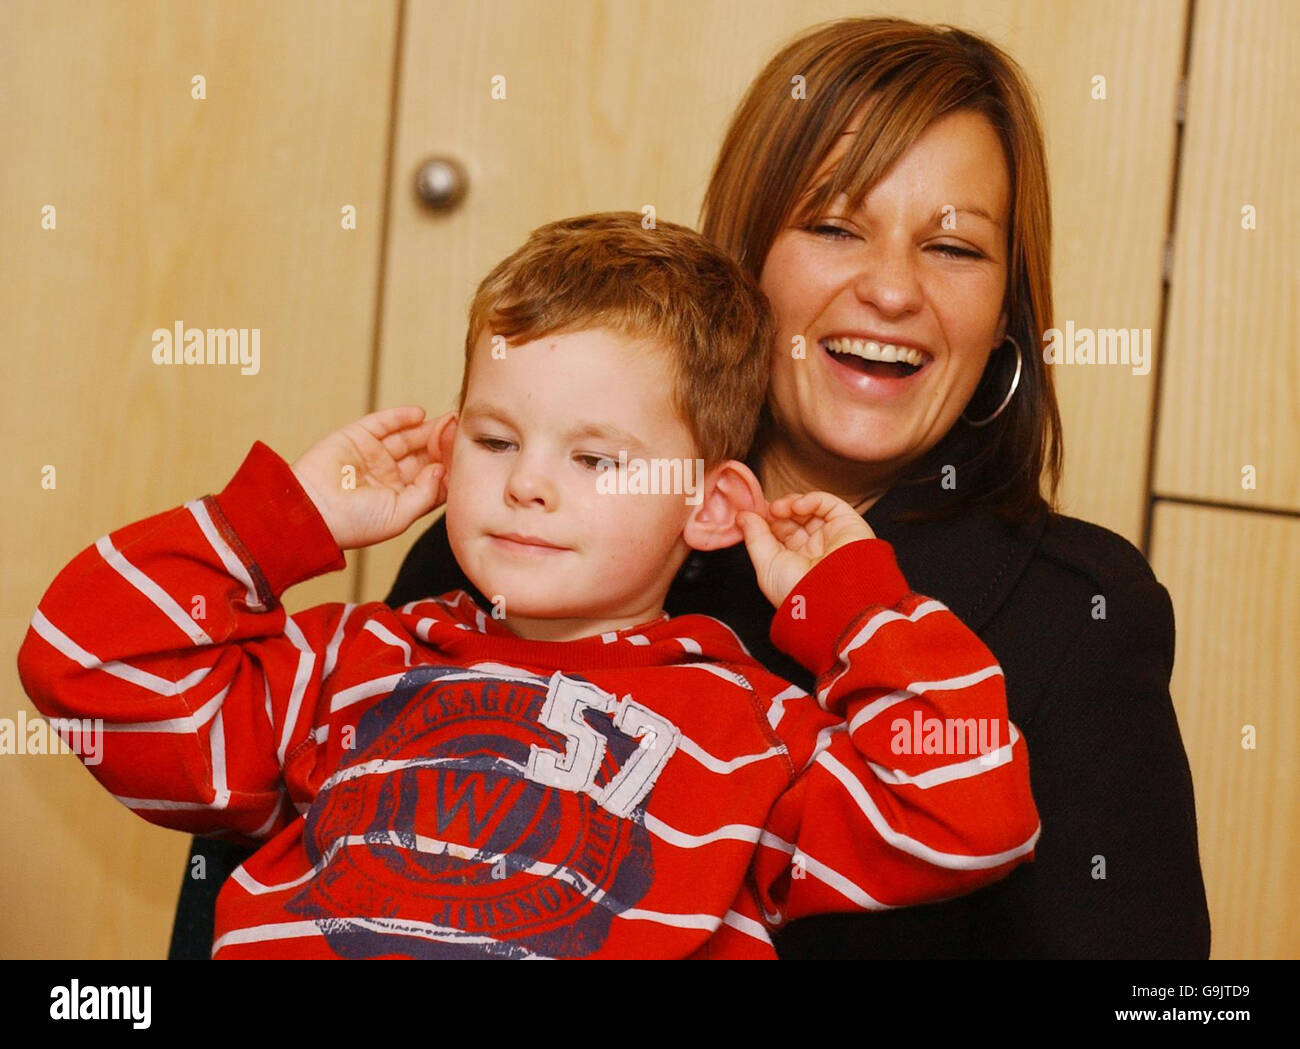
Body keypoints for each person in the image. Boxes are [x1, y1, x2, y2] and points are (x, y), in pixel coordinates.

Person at [384, 19, 1212, 959]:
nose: (893, 291)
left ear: (1004, 314)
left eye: (954, 249)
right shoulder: (517, 539)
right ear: (745, 263)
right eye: (834, 225)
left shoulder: (1078, 614)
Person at [19, 213, 1039, 959]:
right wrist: (289, 519)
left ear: (712, 504)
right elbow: (87, 664)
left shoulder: (752, 730)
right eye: (497, 439)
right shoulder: (351, 664)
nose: (526, 483)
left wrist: (852, 604)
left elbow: (965, 813)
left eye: (596, 459)